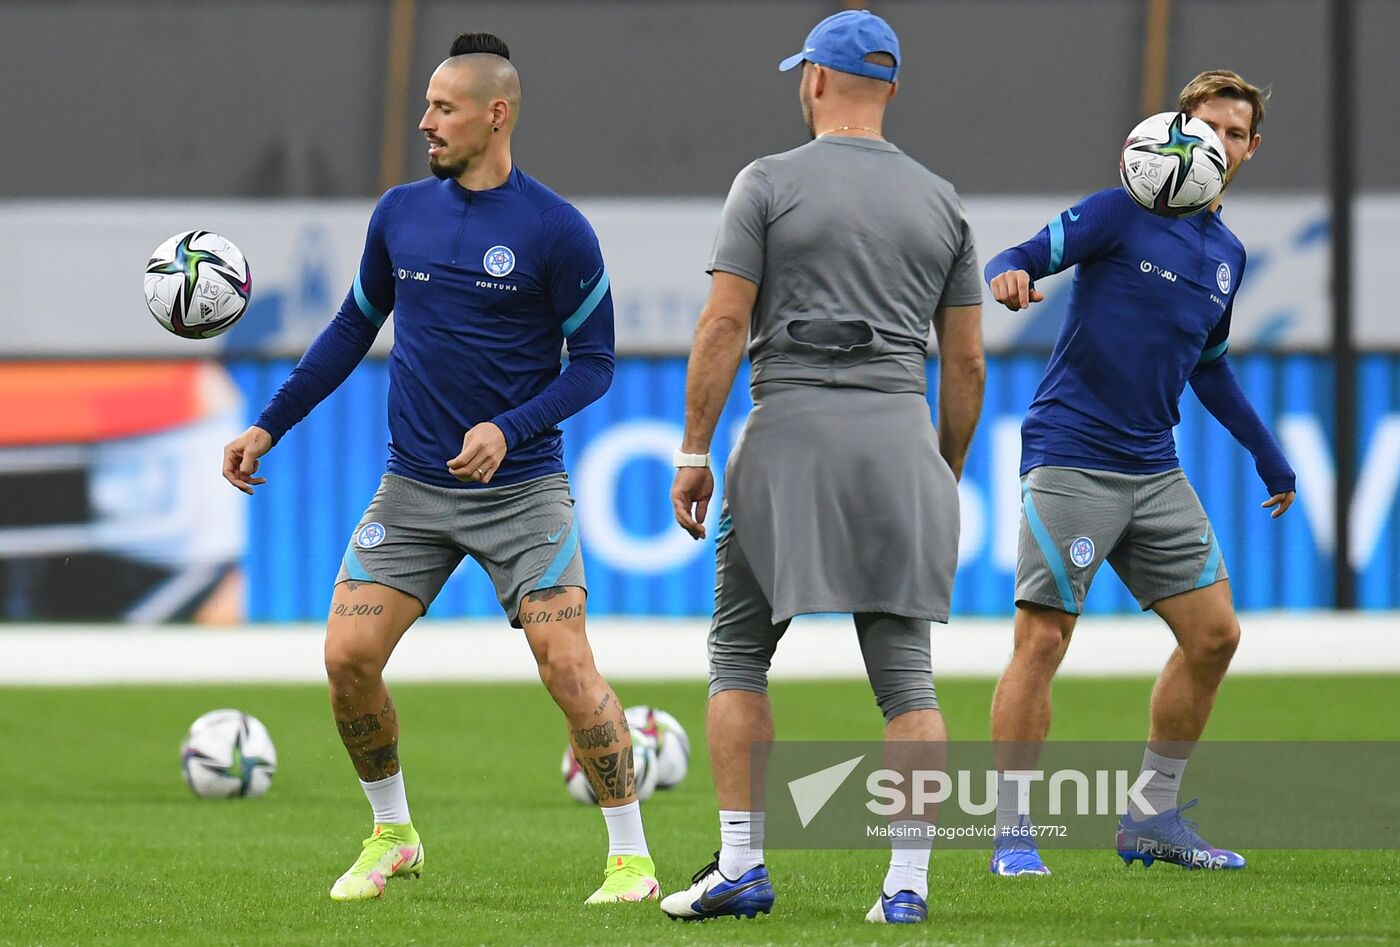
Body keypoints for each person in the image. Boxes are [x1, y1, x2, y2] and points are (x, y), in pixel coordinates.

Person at [221, 31, 659, 905]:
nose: (424, 123)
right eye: (425, 105)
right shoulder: (398, 215)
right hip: (413, 489)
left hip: (523, 491)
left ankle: (632, 859)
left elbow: (597, 363)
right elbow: (352, 329)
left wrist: (510, 425)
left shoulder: (556, 230)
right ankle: (392, 832)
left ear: (495, 116)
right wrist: (270, 423)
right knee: (346, 657)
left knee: (566, 666)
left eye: (443, 108)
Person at [661, 10, 985, 926]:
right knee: (907, 681)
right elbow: (964, 365)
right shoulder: (942, 200)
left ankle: (741, 865)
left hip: (789, 431)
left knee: (738, 654)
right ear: (888, 87)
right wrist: (941, 467)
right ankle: (908, 886)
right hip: (897, 438)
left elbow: (724, 327)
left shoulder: (766, 183)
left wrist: (694, 448)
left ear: (812, 80)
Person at [982, 70, 1295, 876]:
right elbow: (1024, 253)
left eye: (1234, 133)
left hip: (1155, 467)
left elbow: (1211, 367)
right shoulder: (1122, 209)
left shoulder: (1227, 253)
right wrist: (1011, 276)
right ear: (1172, 129)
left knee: (1216, 636)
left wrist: (1267, 451)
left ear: (1250, 149)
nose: (1217, 143)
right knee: (1044, 637)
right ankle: (1011, 829)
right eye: (1205, 127)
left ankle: (1151, 817)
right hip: (1073, 454)